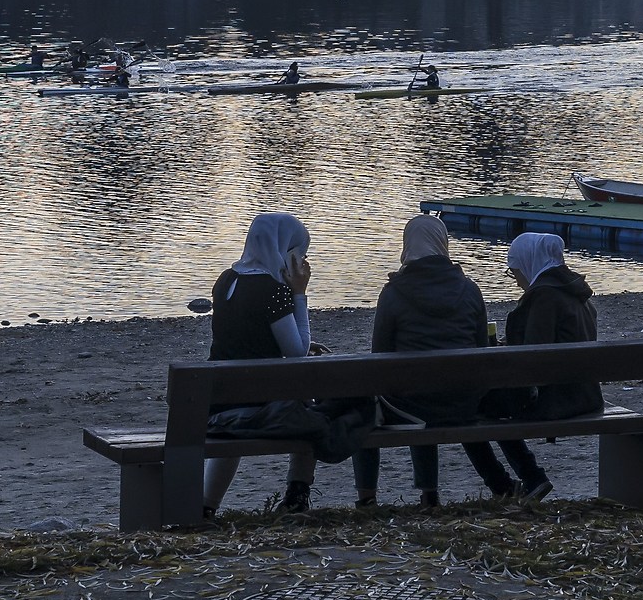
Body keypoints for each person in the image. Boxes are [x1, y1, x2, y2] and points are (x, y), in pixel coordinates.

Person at [351, 215, 519, 509]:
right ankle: (444, 493)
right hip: (464, 403)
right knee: (433, 388)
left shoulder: (393, 293)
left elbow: (379, 355)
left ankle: (368, 497)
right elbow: (482, 350)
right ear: (443, 244)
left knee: (364, 405)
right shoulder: (470, 290)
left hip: (412, 406)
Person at [203, 213, 324, 515]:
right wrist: (299, 295)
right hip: (255, 411)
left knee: (244, 411)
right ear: (286, 250)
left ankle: (206, 506)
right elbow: (296, 353)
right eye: (300, 253)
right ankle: (297, 495)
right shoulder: (274, 292)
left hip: (217, 404)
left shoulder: (226, 280)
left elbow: (247, 336)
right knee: (314, 415)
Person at [477, 233, 608, 501]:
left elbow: (531, 361)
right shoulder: (576, 293)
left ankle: (524, 479)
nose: (517, 280)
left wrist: (502, 353)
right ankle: (528, 477)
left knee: (470, 409)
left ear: (528, 263)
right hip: (585, 394)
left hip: (557, 399)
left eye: (515, 273)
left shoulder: (544, 298)